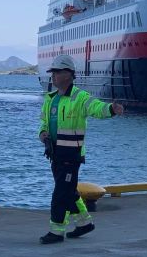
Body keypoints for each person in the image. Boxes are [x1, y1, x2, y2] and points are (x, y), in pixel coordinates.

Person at [38, 54, 123, 244]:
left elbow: (96, 107)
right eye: (52, 72)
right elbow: (43, 122)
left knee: (60, 193)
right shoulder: (50, 99)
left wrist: (110, 109)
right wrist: (43, 134)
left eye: (57, 72)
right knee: (68, 191)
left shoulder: (79, 98)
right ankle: (84, 223)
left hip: (71, 156)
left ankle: (56, 231)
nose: (53, 76)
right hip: (55, 154)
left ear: (68, 74)